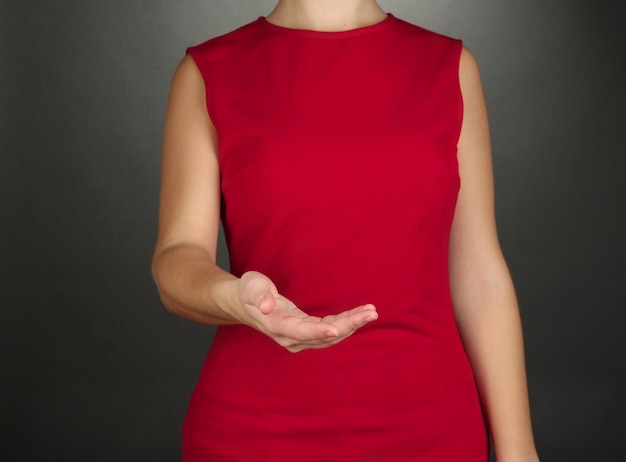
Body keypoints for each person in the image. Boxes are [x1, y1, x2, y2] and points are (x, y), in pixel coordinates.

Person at [152, 0, 540, 460]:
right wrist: (236, 299)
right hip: (254, 432)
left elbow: (479, 276)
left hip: (431, 430)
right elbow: (177, 259)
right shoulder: (208, 71)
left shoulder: (450, 67)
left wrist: (520, 452)